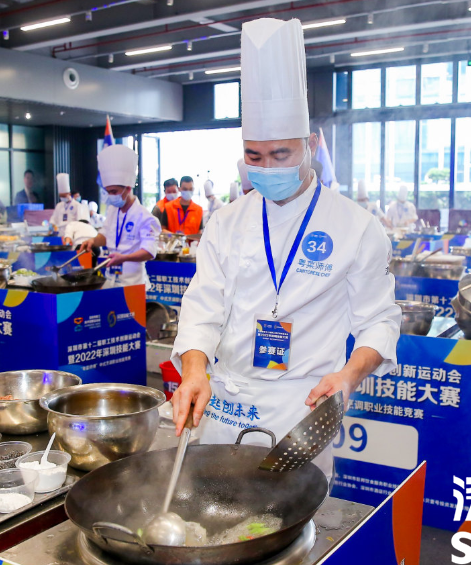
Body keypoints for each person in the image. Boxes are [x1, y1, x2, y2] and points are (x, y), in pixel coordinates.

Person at [169, 18, 400, 480]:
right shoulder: (227, 222)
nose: (268, 167)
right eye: (254, 156)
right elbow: (202, 307)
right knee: (213, 506)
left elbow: (379, 320)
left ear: (310, 144)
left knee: (293, 519)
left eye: (281, 155)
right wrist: (194, 370)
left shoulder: (356, 226)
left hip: (303, 410)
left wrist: (348, 376)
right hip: (225, 405)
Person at [78, 145, 161, 288]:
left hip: (133, 284)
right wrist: (92, 241)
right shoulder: (112, 211)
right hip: (111, 280)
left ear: (127, 189)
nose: (111, 196)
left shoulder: (146, 217)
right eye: (108, 192)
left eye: (114, 191)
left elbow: (149, 251)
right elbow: (105, 235)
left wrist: (124, 258)